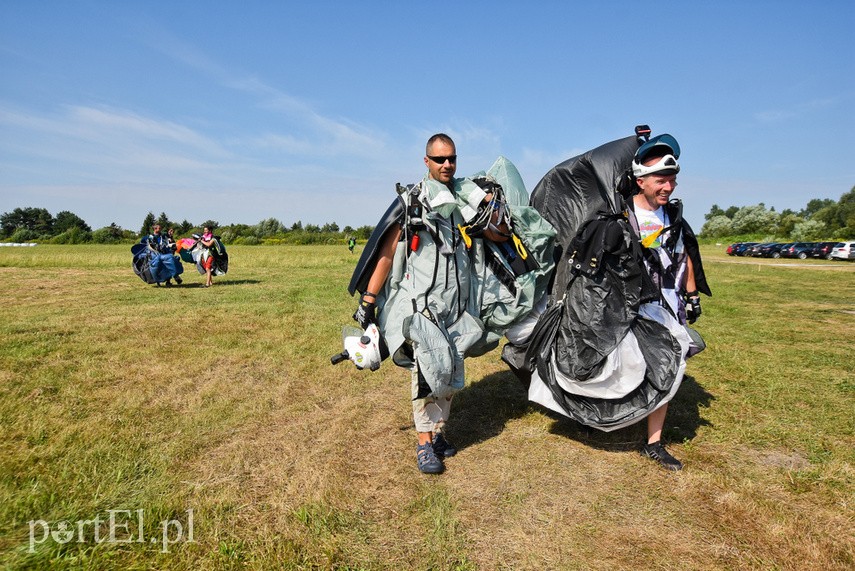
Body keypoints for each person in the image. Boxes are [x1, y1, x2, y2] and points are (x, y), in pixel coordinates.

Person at [353, 134, 483, 475]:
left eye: (452, 158)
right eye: (439, 159)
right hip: (423, 304)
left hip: (456, 303)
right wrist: (369, 299)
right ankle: (424, 443)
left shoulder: (463, 201)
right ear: (426, 161)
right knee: (427, 370)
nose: (447, 164)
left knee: (450, 370)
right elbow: (386, 252)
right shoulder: (414, 201)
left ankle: (437, 434)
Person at [627, 134, 711, 470]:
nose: (669, 187)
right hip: (633, 308)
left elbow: (684, 256)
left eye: (672, 180)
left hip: (670, 308)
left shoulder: (673, 217)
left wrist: (691, 295)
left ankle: (653, 443)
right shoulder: (622, 216)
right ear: (641, 181)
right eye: (661, 180)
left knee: (668, 367)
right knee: (630, 367)